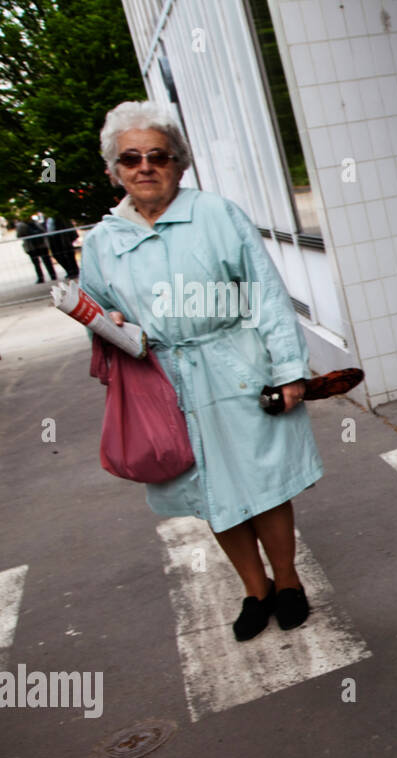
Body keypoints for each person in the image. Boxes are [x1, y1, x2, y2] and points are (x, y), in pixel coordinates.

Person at [79, 100, 324, 642]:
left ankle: (287, 581)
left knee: (261, 479)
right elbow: (94, 312)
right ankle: (254, 589)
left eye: (158, 156)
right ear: (113, 170)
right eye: (131, 158)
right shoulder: (101, 242)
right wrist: (107, 322)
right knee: (208, 485)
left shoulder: (217, 214)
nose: (145, 167)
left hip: (235, 366)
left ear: (179, 163)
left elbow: (266, 294)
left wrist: (289, 371)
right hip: (162, 379)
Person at [16, 214, 58, 283]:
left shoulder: (21, 225)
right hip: (41, 245)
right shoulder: (36, 222)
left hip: (31, 247)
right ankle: (52, 275)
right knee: (47, 261)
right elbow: (43, 230)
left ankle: (41, 278)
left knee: (36, 263)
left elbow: (19, 235)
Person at [43, 212, 80, 279]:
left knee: (68, 254)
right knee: (57, 255)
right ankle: (69, 270)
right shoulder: (46, 218)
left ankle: (74, 271)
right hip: (52, 238)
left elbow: (67, 226)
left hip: (61, 237)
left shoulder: (59, 217)